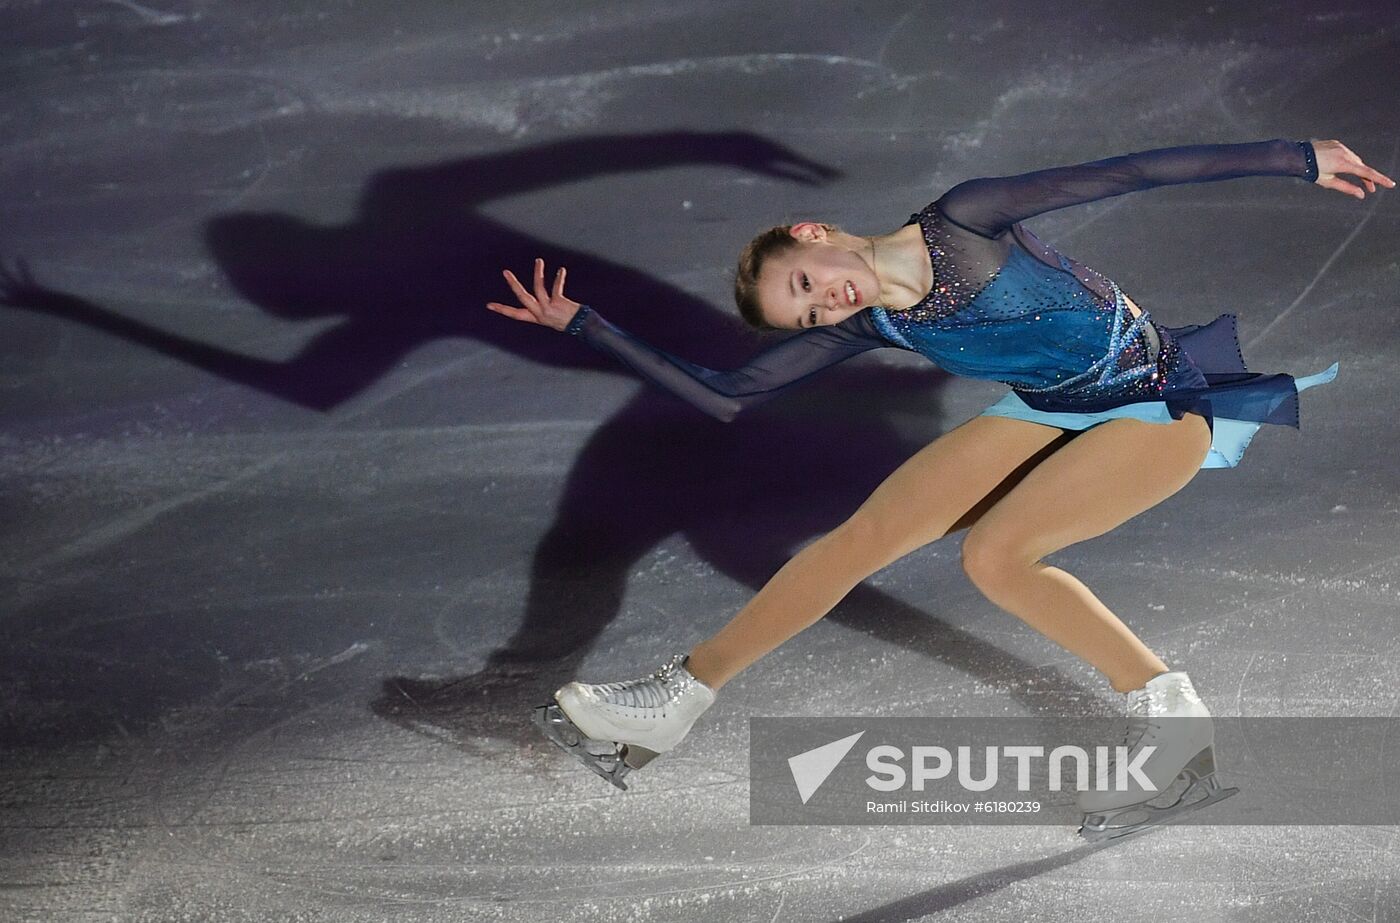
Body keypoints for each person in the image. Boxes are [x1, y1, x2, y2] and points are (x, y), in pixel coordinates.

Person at [486, 137, 1392, 841]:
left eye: (807, 283)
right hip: (1052, 404)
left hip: (1159, 403)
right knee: (856, 540)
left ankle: (1174, 727)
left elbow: (1129, 172)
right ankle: (674, 703)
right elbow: (731, 397)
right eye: (808, 315)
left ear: (814, 231)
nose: (826, 305)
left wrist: (1295, 158)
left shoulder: (962, 220)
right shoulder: (873, 320)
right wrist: (586, 324)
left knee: (995, 555)